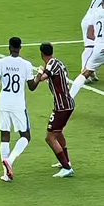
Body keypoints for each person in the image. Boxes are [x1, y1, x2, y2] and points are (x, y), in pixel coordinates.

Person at [0, 37, 41, 182]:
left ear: (9, 47)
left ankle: (5, 174)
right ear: (20, 48)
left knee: (4, 135)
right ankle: (10, 161)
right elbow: (32, 87)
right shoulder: (26, 65)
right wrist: (39, 76)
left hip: (3, 103)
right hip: (18, 104)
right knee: (26, 136)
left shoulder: (0, 62)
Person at [35, 42, 75, 177]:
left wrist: (39, 73)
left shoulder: (51, 64)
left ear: (41, 54)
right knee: (58, 133)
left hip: (62, 106)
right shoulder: (58, 63)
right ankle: (66, 161)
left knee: (50, 137)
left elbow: (42, 78)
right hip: (66, 104)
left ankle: (66, 168)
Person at [70, 0, 104, 98]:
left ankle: (88, 72)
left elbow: (90, 35)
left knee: (91, 47)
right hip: (92, 21)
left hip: (91, 19)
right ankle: (86, 71)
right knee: (89, 48)